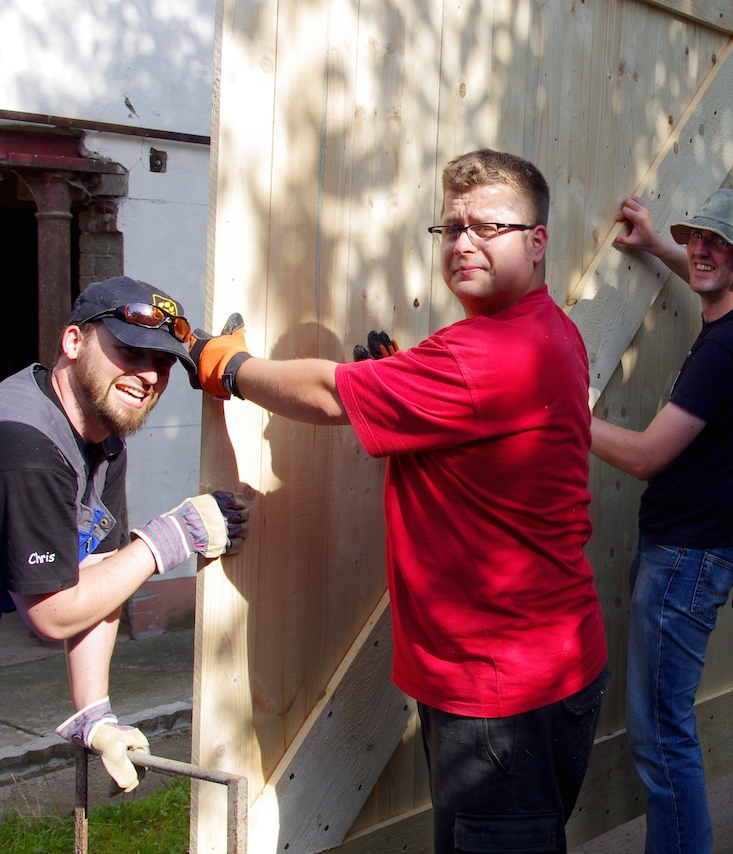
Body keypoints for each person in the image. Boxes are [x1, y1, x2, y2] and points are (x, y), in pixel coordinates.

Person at [188, 150, 609, 854]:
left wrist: (229, 368)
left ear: (536, 244)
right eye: (449, 228)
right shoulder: (547, 330)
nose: (463, 242)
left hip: (499, 697)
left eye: (487, 227)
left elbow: (327, 394)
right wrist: (397, 381)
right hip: (545, 669)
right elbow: (477, 436)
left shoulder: (485, 356)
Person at [590, 189, 733, 854]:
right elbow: (707, 278)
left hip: (686, 557)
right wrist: (654, 245)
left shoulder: (723, 350)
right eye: (696, 237)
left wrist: (564, 414)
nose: (701, 251)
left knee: (660, 732)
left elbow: (646, 456)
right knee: (662, 723)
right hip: (701, 550)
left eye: (718, 243)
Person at [0, 276, 247, 792]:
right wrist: (165, 541)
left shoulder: (103, 433)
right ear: (73, 342)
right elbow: (51, 613)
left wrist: (95, 714)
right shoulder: (28, 443)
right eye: (129, 351)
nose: (147, 375)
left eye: (161, 362)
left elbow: (98, 574)